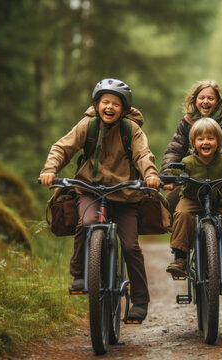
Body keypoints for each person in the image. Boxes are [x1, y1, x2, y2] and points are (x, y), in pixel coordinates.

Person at [40, 78, 161, 321]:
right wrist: (50, 169)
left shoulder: (131, 130)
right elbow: (62, 148)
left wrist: (150, 175)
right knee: (87, 224)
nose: (110, 107)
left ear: (124, 109)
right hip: (90, 190)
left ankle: (140, 300)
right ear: (96, 105)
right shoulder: (88, 125)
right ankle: (80, 274)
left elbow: (143, 154)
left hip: (126, 196)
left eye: (116, 104)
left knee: (130, 246)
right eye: (105, 102)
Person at [164, 118, 222, 289]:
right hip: (191, 199)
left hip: (220, 203)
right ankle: (180, 258)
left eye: (210, 138)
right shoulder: (187, 162)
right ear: (193, 143)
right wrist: (169, 180)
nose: (205, 142)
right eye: (200, 139)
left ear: (218, 142)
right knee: (182, 214)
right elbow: (172, 172)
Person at [162, 80, 222, 222]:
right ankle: (183, 238)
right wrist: (168, 175)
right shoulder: (186, 123)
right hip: (192, 172)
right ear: (195, 101)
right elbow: (174, 150)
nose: (206, 101)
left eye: (210, 98)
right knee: (168, 205)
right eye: (202, 98)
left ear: (217, 101)